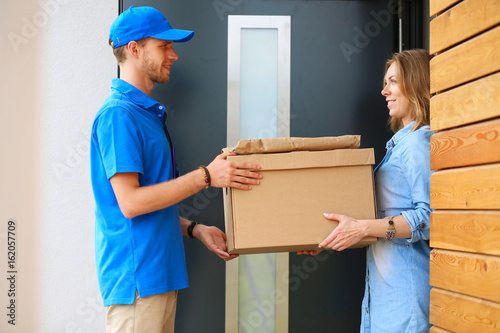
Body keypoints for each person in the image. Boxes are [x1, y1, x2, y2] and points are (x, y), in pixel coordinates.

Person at [90, 6, 262, 333]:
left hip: (159, 278)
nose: (174, 55)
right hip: (138, 281)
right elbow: (130, 203)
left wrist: (195, 228)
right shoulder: (119, 116)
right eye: (164, 46)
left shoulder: (146, 115)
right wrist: (207, 177)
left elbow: (147, 204)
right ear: (134, 49)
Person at [300, 49, 433, 332]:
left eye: (393, 82)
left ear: (416, 83)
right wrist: (324, 235)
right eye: (385, 82)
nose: (384, 91)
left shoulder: (417, 144)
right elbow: (373, 216)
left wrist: (361, 229)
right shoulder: (400, 144)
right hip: (384, 295)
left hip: (405, 296)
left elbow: (429, 217)